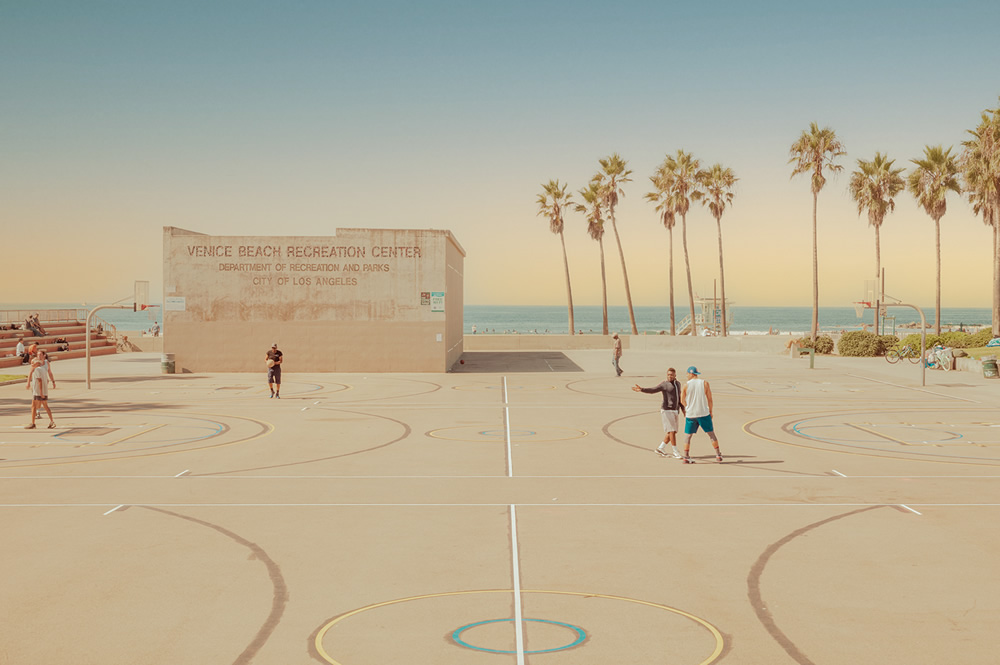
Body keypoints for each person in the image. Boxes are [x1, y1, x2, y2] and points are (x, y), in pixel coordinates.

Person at [632, 367, 684, 458]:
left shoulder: (678, 384)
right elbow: (653, 390)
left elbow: (678, 397)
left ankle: (661, 448)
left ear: (675, 375)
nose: (669, 376)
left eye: (671, 375)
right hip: (667, 410)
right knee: (671, 431)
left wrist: (683, 409)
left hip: (675, 410)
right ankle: (675, 451)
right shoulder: (664, 384)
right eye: (668, 375)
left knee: (673, 432)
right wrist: (642, 389)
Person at [680, 366, 722, 463]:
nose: (686, 375)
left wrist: (688, 407)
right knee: (711, 434)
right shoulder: (705, 383)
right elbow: (710, 399)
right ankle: (718, 454)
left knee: (687, 436)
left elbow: (682, 400)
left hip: (691, 414)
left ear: (691, 374)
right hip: (703, 413)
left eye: (687, 374)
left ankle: (686, 456)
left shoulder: (686, 385)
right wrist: (711, 411)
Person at [25, 354, 56, 429]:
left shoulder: (37, 370)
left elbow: (40, 381)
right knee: (45, 406)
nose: (32, 364)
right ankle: (52, 421)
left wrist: (41, 393)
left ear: (36, 363)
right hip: (43, 391)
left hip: (38, 391)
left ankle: (33, 423)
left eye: (33, 363)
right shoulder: (43, 369)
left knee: (33, 406)